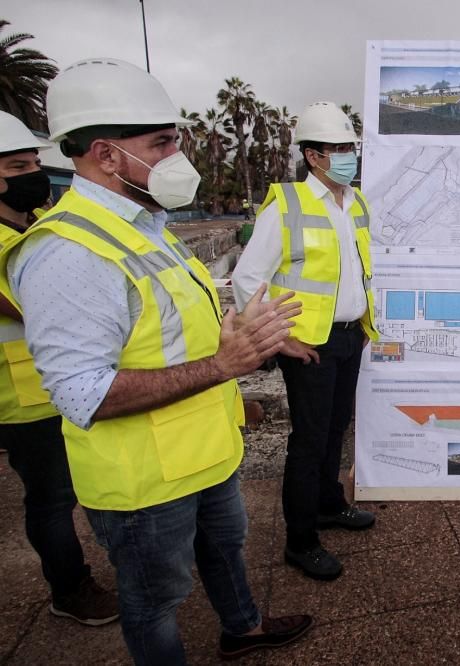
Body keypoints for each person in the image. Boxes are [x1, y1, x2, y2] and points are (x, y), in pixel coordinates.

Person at [0, 58, 313, 663]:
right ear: (107, 155)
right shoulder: (67, 251)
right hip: (144, 481)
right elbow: (82, 394)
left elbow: (173, 327)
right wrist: (223, 369)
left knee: (226, 551)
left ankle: (241, 628)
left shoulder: (148, 224)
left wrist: (245, 338)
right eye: (162, 142)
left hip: (207, 451)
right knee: (154, 601)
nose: (177, 155)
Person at [231, 101, 378, 581]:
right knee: (309, 442)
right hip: (308, 345)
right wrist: (279, 340)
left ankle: (329, 505)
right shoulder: (288, 204)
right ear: (313, 156)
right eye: (337, 149)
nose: (347, 156)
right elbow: (248, 278)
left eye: (350, 148)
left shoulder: (354, 202)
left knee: (336, 431)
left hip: (349, 336)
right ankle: (301, 540)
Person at [0, 111, 119, 626]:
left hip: (62, 386)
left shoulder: (37, 224)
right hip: (21, 398)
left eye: (33, 162)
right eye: (18, 165)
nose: (34, 174)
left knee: (76, 489)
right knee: (51, 501)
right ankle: (70, 590)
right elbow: (43, 307)